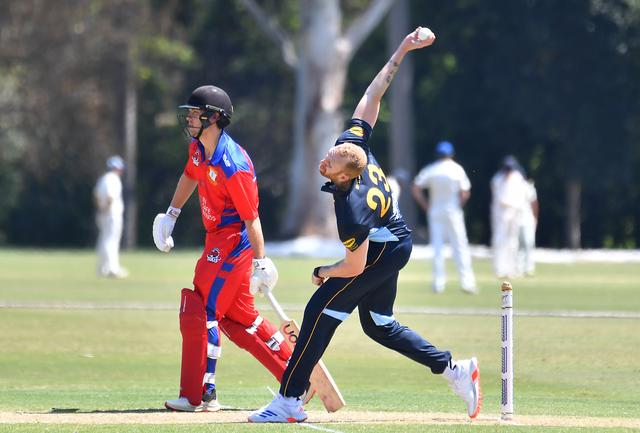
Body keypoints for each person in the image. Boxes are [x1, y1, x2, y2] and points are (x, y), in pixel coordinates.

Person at [249, 28, 481, 424]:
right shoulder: (355, 145)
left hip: (384, 249)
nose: (328, 156)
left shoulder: (351, 208)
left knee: (320, 307)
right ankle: (455, 370)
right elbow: (372, 97)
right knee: (378, 324)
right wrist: (403, 50)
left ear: (343, 177)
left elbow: (354, 267)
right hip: (392, 239)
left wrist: (323, 271)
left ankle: (288, 399)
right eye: (334, 151)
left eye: (333, 161)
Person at [153, 85, 297, 412]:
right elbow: (190, 176)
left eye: (195, 113)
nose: (189, 118)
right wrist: (171, 214)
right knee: (240, 319)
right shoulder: (197, 149)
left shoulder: (233, 164)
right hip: (215, 237)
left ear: (214, 118)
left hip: (233, 241)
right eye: (189, 113)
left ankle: (202, 394)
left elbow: (251, 217)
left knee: (202, 308)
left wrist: (261, 262)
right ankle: (295, 376)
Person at [412, 141, 478, 294]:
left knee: (437, 247)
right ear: (451, 154)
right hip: (453, 211)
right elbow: (465, 192)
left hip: (435, 211)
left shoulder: (432, 169)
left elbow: (416, 187)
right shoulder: (457, 169)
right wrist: (458, 205)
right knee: (460, 246)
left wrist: (426, 206)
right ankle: (467, 283)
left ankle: (438, 283)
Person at [490, 155, 528, 278]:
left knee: (513, 242)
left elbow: (522, 197)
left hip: (515, 213)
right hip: (501, 214)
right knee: (500, 241)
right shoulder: (497, 179)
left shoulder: (518, 178)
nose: (508, 171)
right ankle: (500, 269)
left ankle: (512, 269)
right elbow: (500, 200)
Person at [93, 155, 128, 278]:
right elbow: (110, 197)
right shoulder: (113, 179)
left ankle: (102, 268)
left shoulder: (103, 179)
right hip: (111, 214)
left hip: (103, 213)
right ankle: (112, 268)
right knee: (111, 241)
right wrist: (106, 210)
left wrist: (101, 210)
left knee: (104, 240)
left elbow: (97, 196)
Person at [518, 177, 539, 276]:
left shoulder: (529, 187)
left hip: (527, 220)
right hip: (516, 220)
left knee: (528, 244)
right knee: (518, 246)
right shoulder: (513, 186)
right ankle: (518, 268)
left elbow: (534, 204)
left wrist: (535, 218)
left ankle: (528, 269)